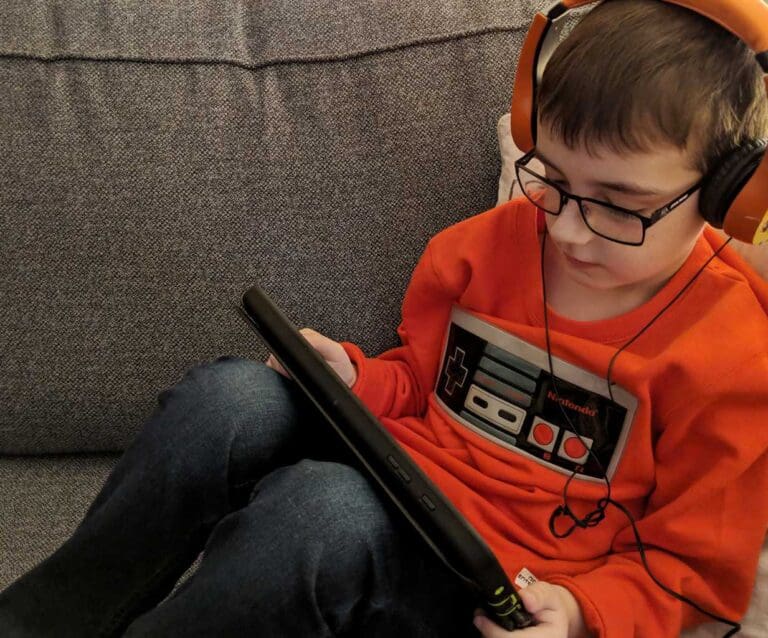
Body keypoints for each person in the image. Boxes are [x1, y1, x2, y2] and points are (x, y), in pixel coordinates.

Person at [2, 0, 768, 636]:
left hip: (493, 591)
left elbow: (694, 576)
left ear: (730, 194)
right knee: (227, 402)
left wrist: (578, 612)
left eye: (617, 206)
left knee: (321, 513)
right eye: (554, 180)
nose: (566, 229)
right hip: (399, 478)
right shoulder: (484, 248)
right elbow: (421, 381)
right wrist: (354, 378)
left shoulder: (732, 354)